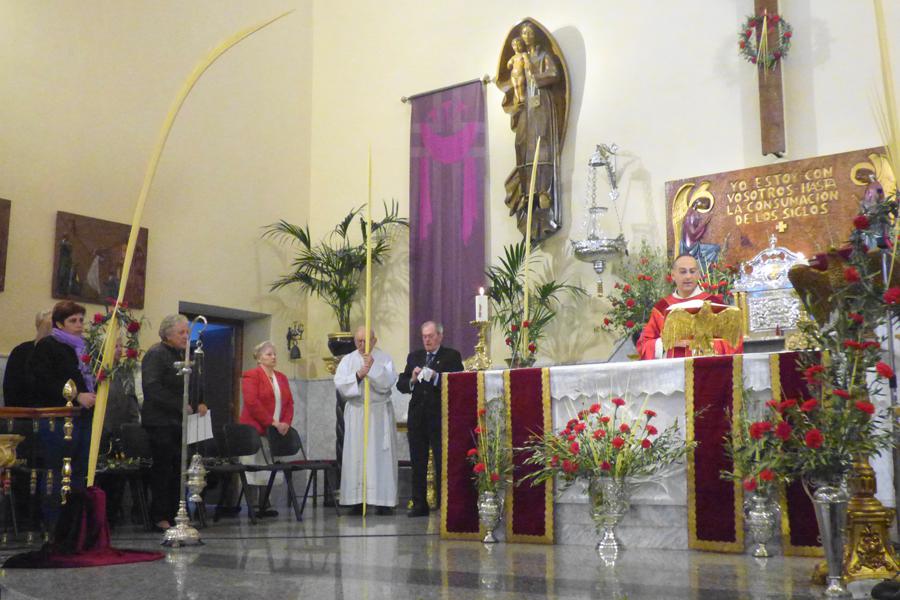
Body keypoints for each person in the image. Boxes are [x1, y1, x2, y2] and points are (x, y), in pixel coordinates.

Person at [141, 314, 207, 531]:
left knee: (180, 469)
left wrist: (199, 402)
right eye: (182, 332)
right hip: (160, 422)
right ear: (167, 334)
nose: (186, 336)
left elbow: (192, 384)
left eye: (187, 332)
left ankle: (178, 513)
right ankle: (160, 516)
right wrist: (180, 404)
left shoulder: (184, 354)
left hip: (180, 423)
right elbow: (152, 388)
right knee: (164, 470)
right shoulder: (156, 354)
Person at [29, 301, 97, 493]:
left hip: (81, 416)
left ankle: (73, 518)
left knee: (79, 471)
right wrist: (77, 395)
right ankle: (53, 518)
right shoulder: (48, 345)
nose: (79, 324)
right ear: (59, 324)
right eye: (73, 320)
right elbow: (45, 381)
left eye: (81, 320)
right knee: (57, 471)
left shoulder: (84, 348)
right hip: (57, 418)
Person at [397, 321, 463, 517]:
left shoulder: (451, 356)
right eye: (424, 336)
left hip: (440, 417)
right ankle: (419, 503)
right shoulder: (414, 357)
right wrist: (412, 379)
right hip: (418, 418)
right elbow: (401, 384)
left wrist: (436, 377)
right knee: (418, 462)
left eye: (431, 336)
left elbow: (458, 382)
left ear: (440, 336)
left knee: (443, 461)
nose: (427, 340)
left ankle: (445, 503)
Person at [334, 327, 399, 515]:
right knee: (356, 455)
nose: (362, 345)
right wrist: (359, 374)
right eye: (358, 341)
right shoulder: (348, 360)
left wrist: (373, 367)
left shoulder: (384, 358)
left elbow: (388, 382)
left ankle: (382, 501)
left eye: (365, 341)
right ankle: (356, 500)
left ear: (374, 340)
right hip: (357, 412)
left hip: (378, 415)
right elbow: (341, 384)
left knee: (379, 456)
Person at [636, 254, 743, 360]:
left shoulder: (713, 304)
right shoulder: (661, 308)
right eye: (683, 272)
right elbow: (643, 346)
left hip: (705, 372)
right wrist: (666, 342)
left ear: (698, 275)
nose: (688, 276)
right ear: (673, 275)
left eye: (692, 271)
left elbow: (734, 342)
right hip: (670, 373)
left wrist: (703, 344)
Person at [238, 340, 295, 517]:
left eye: (274, 354)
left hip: (275, 431)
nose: (273, 357)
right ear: (259, 357)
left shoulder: (282, 378)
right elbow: (252, 403)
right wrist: (272, 422)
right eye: (269, 354)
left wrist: (285, 423)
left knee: (268, 464)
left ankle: (265, 502)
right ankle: (253, 503)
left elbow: (289, 403)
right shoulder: (251, 375)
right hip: (254, 429)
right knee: (254, 465)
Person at [3, 309, 52, 407]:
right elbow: (11, 390)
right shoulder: (21, 351)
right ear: (38, 327)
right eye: (47, 327)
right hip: (25, 412)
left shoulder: (65, 352)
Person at [507, 37, 532, 106]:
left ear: (522, 45)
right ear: (512, 47)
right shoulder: (513, 57)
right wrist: (509, 64)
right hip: (513, 74)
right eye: (515, 45)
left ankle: (522, 97)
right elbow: (509, 65)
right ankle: (517, 98)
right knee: (515, 86)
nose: (517, 47)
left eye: (519, 45)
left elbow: (527, 61)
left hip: (521, 73)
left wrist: (527, 63)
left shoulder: (524, 54)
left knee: (521, 84)